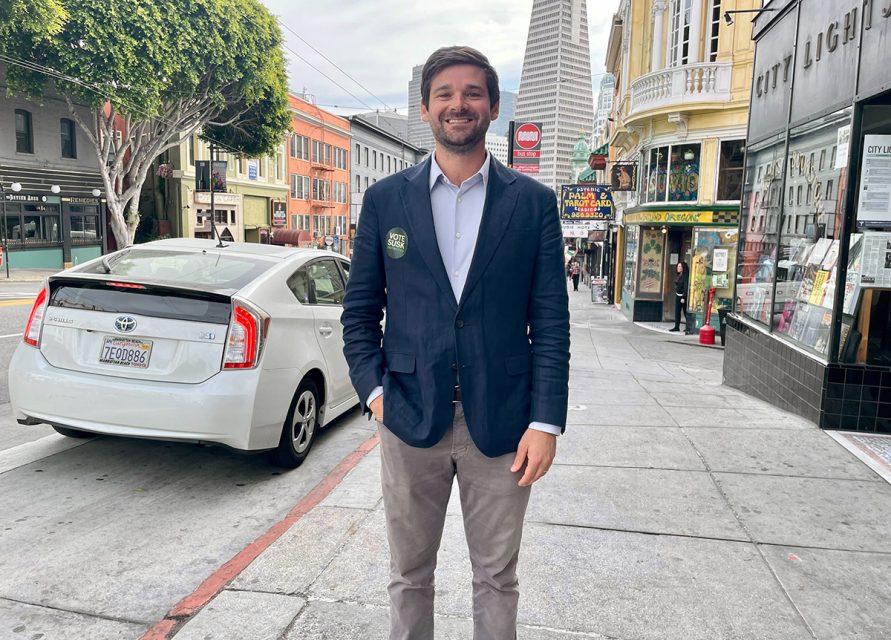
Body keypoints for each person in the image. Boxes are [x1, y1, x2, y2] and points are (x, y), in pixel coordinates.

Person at [341, 46, 570, 640]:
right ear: (425, 109)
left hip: (503, 423)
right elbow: (359, 314)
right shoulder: (386, 201)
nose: (458, 104)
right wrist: (376, 396)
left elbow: (550, 322)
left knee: (497, 576)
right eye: (444, 93)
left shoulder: (534, 204)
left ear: (493, 107)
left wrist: (545, 422)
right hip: (409, 416)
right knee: (408, 573)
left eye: (472, 92)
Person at [670, 261, 689, 332]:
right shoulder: (679, 275)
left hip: (683, 296)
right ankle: (676, 326)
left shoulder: (685, 276)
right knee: (677, 311)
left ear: (683, 268)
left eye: (680, 266)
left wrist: (683, 297)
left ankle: (688, 327)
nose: (678, 268)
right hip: (678, 295)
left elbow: (685, 287)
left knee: (685, 312)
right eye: (678, 266)